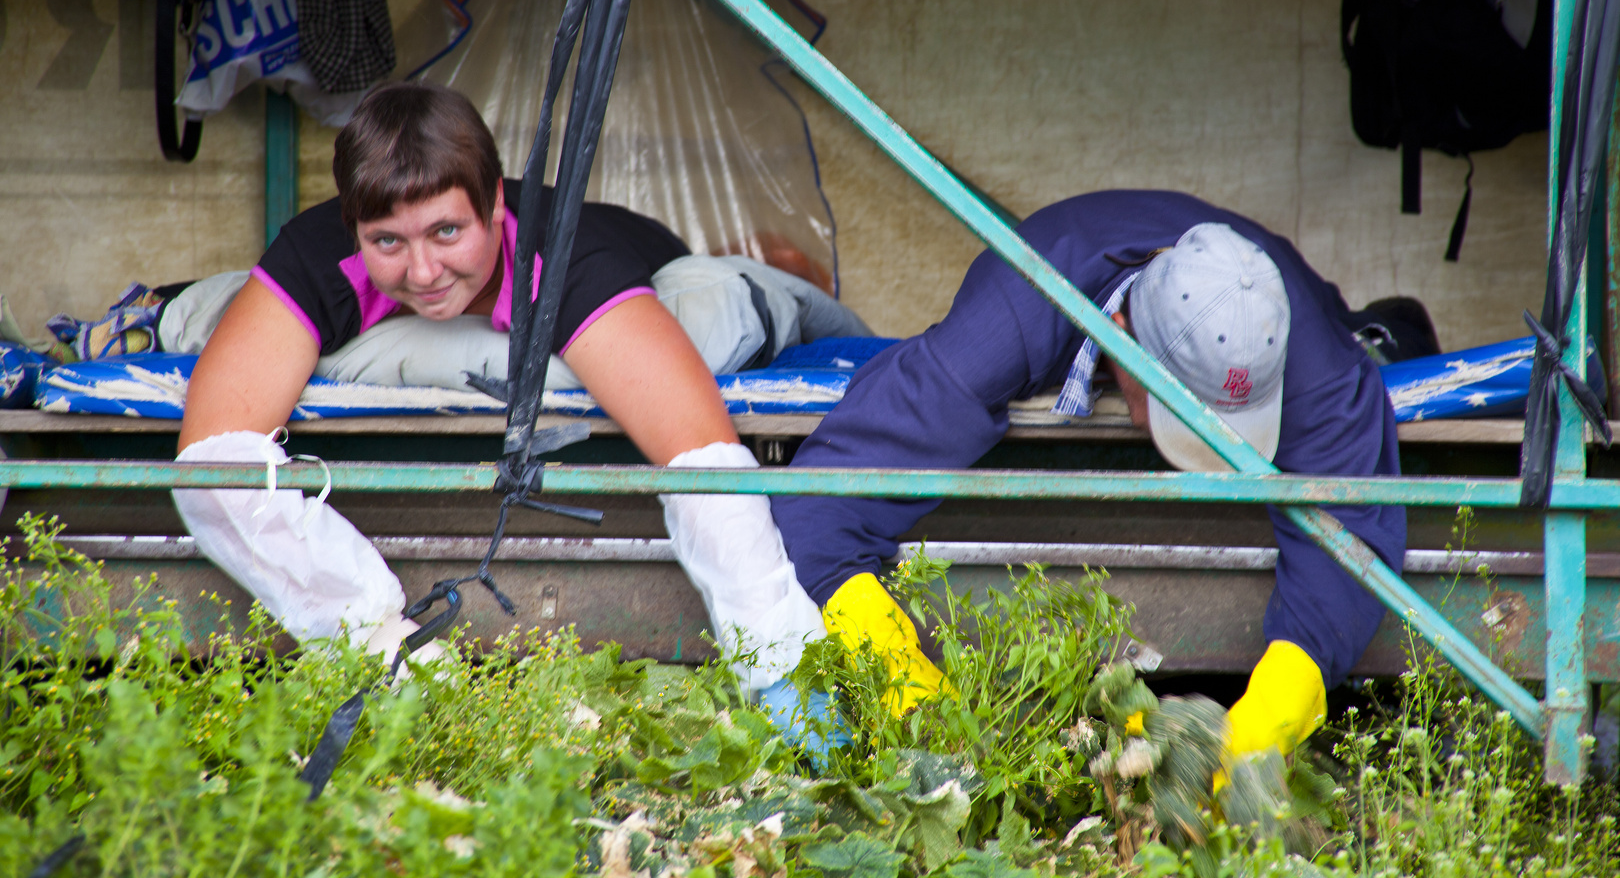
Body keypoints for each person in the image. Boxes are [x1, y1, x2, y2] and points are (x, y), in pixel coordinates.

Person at [170, 80, 861, 692]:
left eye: (447, 231)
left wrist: (780, 667)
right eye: (387, 242)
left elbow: (702, 461)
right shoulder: (316, 252)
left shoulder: (568, 260)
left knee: (748, 297)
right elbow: (213, 462)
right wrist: (373, 632)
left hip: (655, 263)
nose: (422, 271)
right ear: (352, 227)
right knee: (193, 318)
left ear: (494, 206)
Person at [771, 191, 1409, 762]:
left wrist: (1279, 700)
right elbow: (819, 501)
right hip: (1061, 255)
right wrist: (896, 670)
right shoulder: (1016, 306)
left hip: (1300, 287)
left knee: (1397, 333)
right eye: (1185, 415)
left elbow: (1354, 528)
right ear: (1120, 334)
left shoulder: (1310, 358)